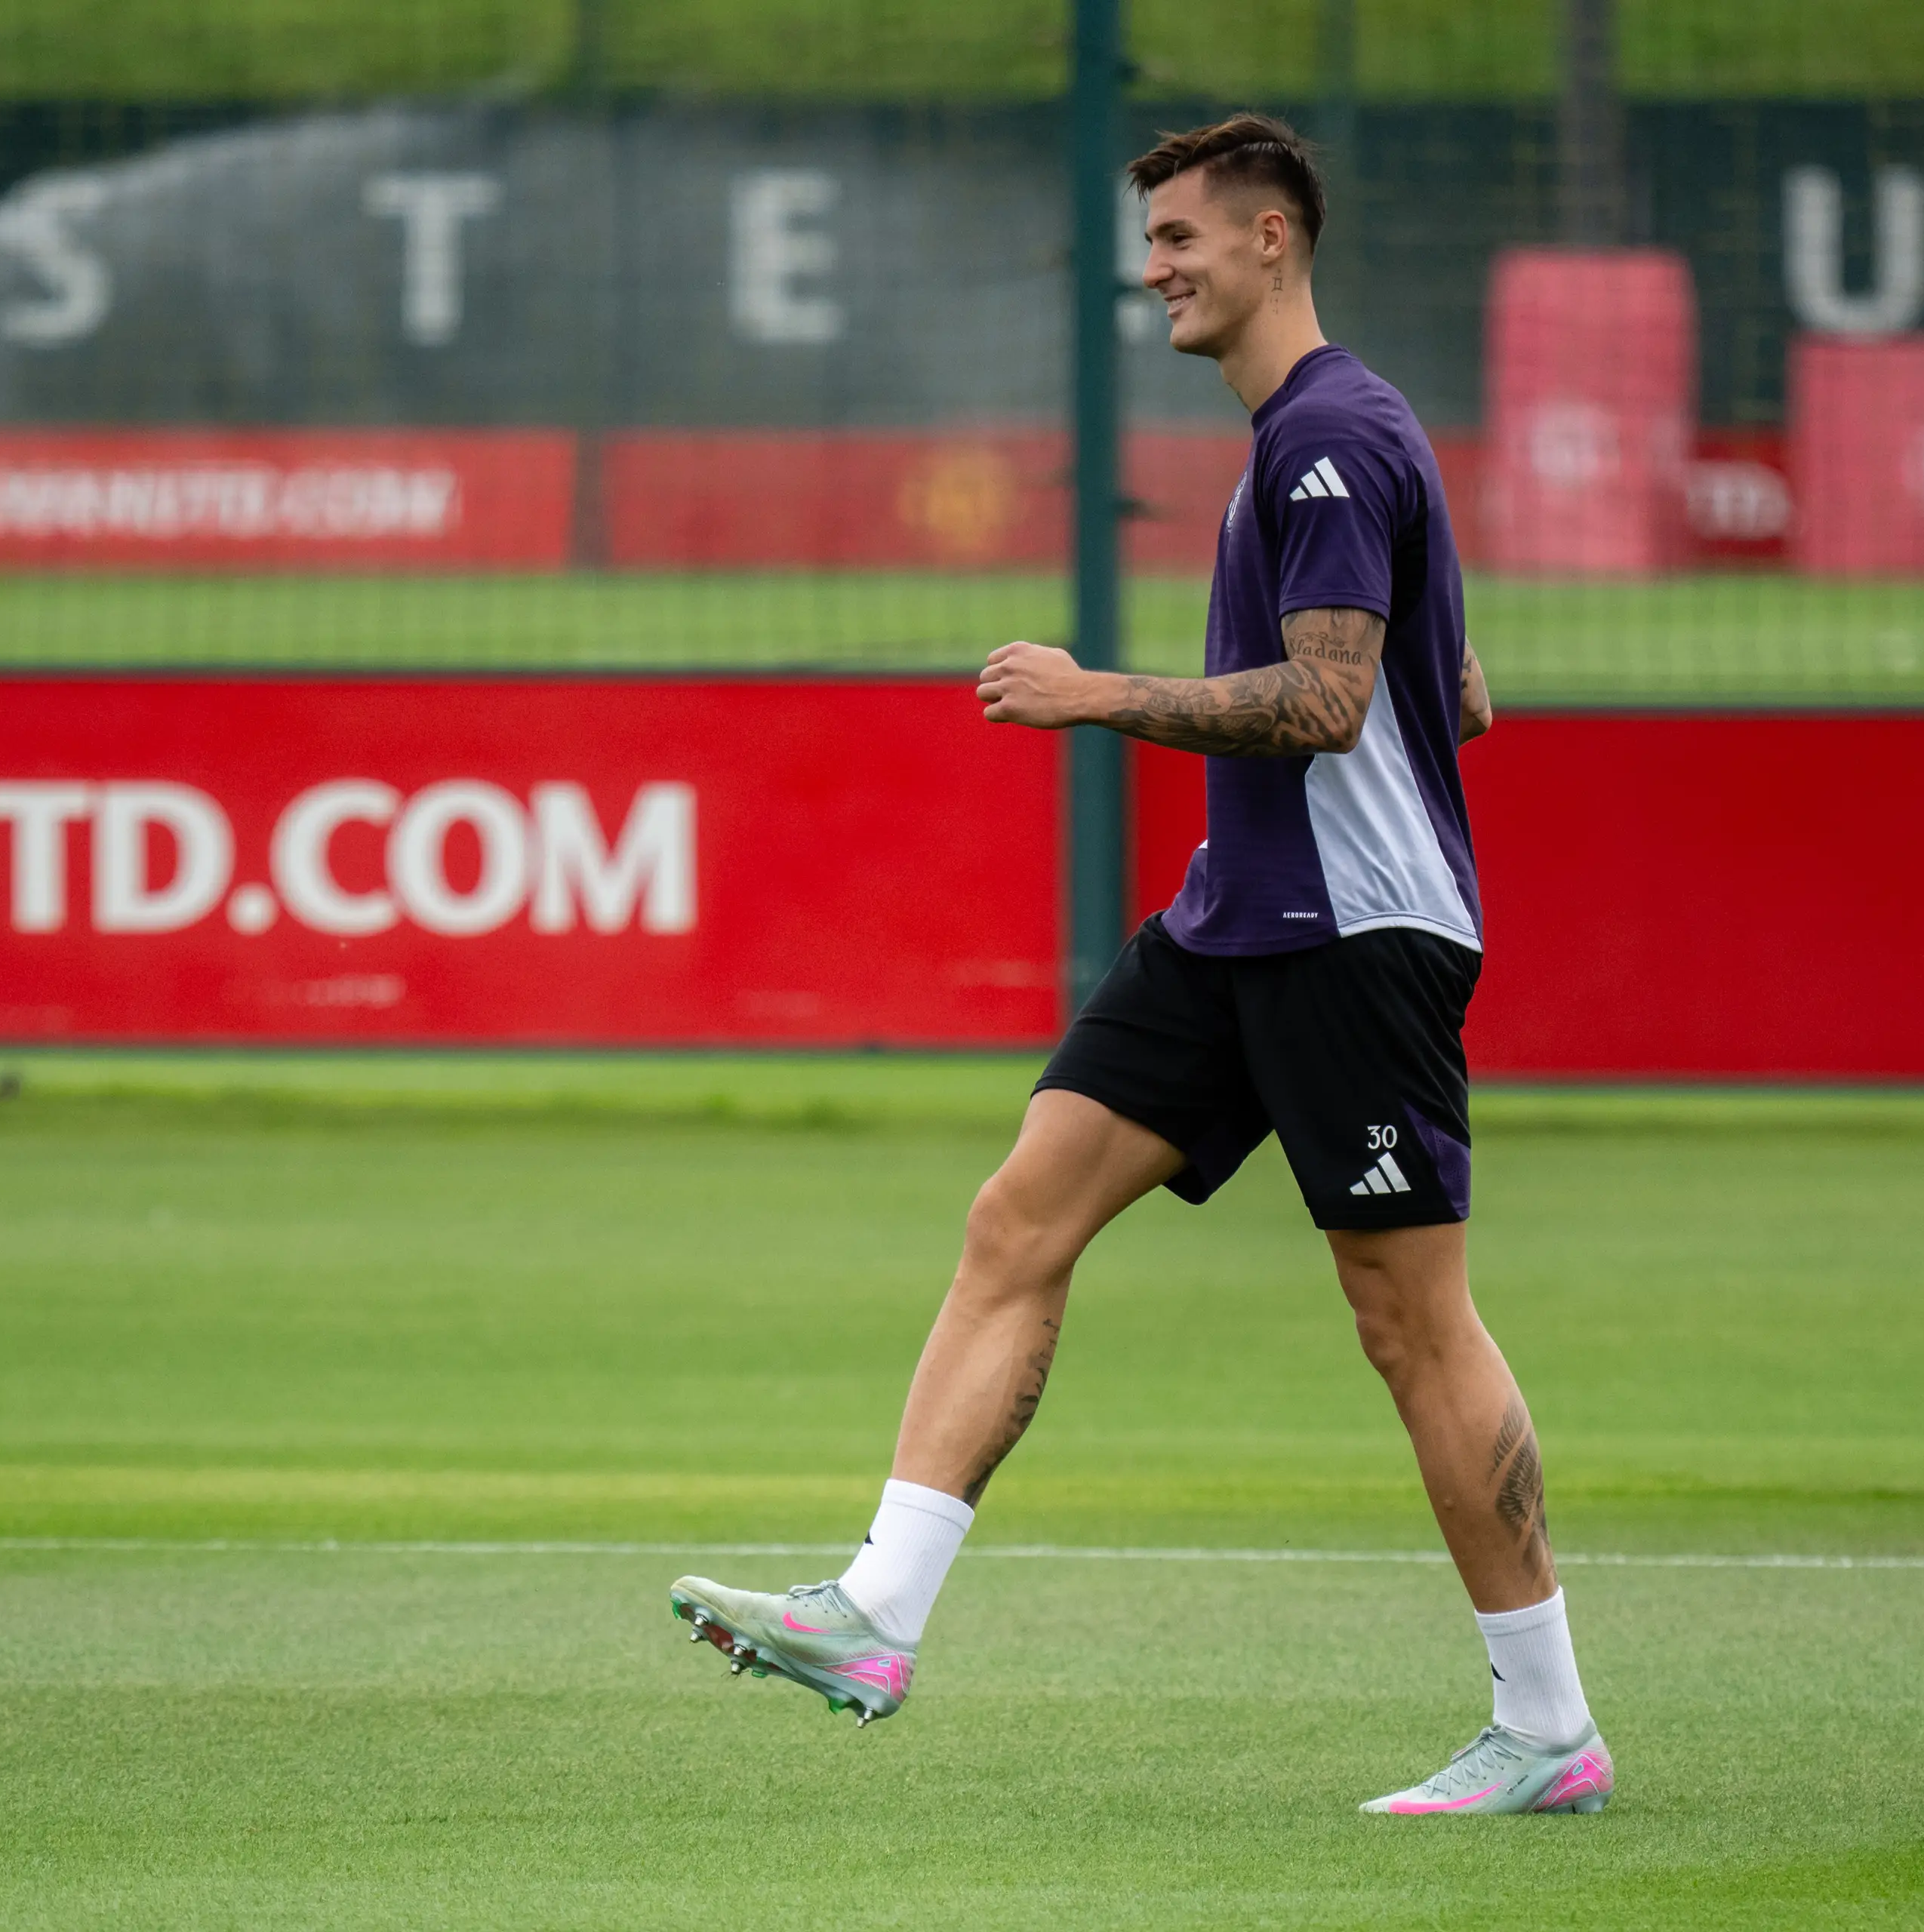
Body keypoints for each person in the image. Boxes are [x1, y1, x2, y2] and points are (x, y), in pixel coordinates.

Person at [669, 112, 1611, 1817]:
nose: (1156, 267)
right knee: (1018, 1215)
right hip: (1234, 914)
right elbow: (1448, 691)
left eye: (1181, 236)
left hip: (1351, 933)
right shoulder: (1316, 442)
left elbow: (1331, 704)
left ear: (1272, 240)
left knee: (1411, 1321)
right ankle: (876, 1611)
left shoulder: (1327, 433)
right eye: (1151, 241)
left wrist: (1096, 691)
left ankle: (1547, 1729)